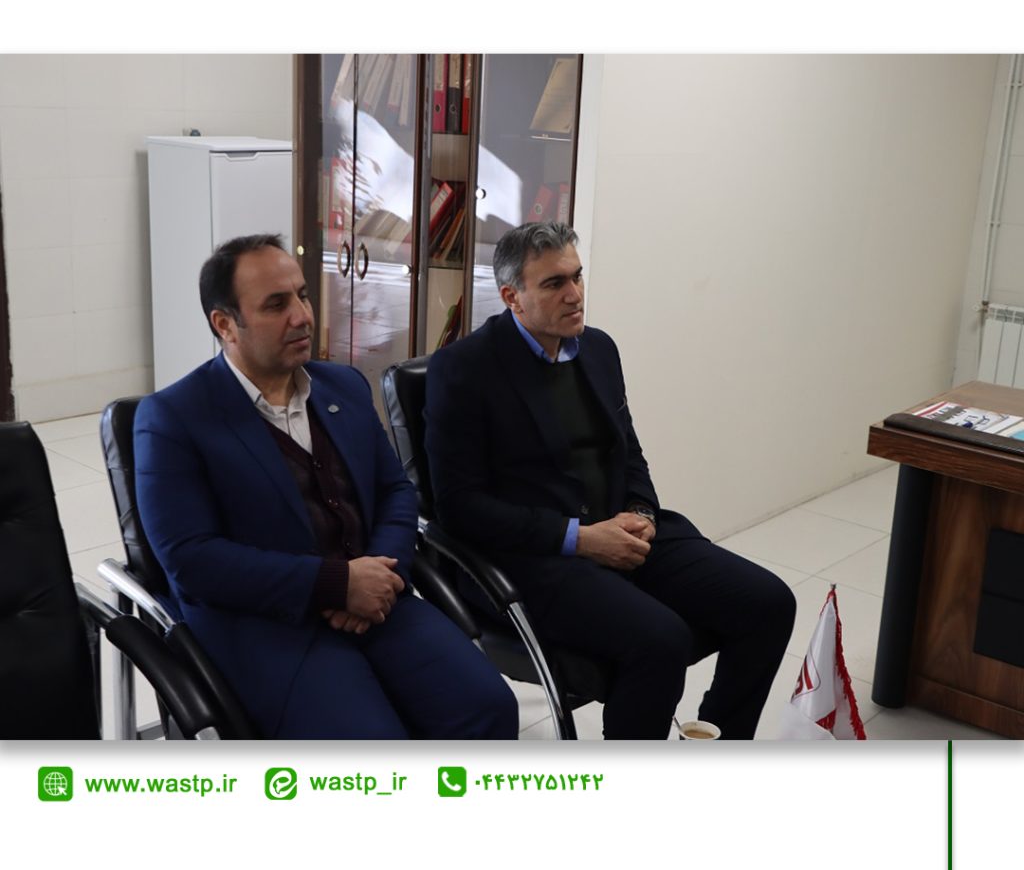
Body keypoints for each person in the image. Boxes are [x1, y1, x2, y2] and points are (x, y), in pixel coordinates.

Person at [134, 234, 517, 740]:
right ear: (225, 324)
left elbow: (395, 492)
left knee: (489, 707)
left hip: (377, 602)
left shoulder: (343, 386)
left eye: (302, 295)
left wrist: (379, 575)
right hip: (268, 628)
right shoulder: (173, 418)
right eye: (276, 305)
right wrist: (337, 584)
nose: (302, 316)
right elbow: (191, 560)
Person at [424, 222, 796, 740]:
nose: (575, 294)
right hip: (535, 557)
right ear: (512, 296)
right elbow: (460, 507)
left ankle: (720, 743)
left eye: (577, 277)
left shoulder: (598, 349)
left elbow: (629, 452)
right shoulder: (464, 369)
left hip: (620, 528)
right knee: (661, 640)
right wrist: (580, 539)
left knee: (769, 603)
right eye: (554, 283)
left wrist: (641, 514)